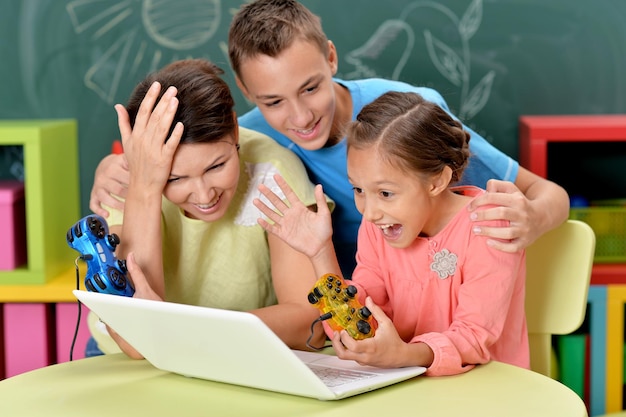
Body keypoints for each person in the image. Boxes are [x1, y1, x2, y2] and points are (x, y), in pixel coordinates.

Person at [88, 0, 569, 278]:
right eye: (273, 101)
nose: (299, 117)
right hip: (355, 308)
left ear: (332, 58)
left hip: (440, 294)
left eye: (311, 87)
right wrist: (113, 170)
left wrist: (534, 218)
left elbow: (549, 193)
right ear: (247, 96)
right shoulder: (246, 139)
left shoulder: (405, 113)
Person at [254, 91, 529, 376]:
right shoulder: (379, 226)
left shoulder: (490, 225)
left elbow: (473, 338)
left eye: (385, 193)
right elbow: (364, 320)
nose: (369, 212)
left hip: (488, 390)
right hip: (407, 386)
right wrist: (320, 252)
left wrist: (403, 354)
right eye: (358, 189)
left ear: (437, 181)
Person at [87, 58, 332, 358]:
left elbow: (312, 324)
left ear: (235, 130)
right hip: (119, 360)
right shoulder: (128, 179)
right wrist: (145, 187)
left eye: (217, 166)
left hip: (236, 353)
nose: (205, 194)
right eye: (175, 178)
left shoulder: (271, 170)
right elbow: (135, 342)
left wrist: (184, 333)